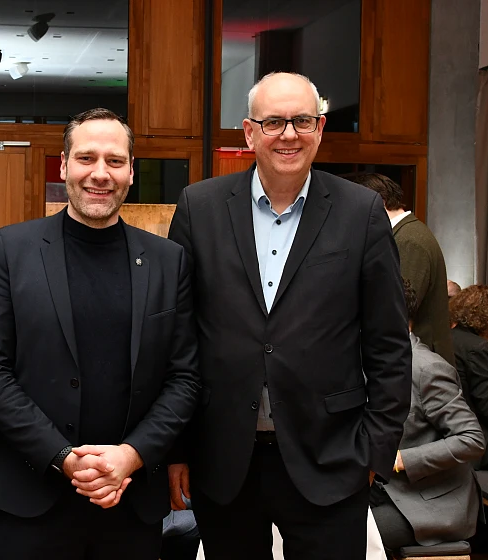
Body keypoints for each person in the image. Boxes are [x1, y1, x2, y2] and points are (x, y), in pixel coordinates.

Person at [167, 72, 411, 560]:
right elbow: (179, 337)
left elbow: (388, 343)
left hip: (332, 458)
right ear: (249, 132)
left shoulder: (361, 212)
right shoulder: (200, 207)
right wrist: (177, 448)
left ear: (319, 128)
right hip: (224, 458)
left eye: (302, 120)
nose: (289, 134)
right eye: (274, 121)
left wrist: (374, 451)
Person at [0, 107, 199, 560]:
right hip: (35, 496)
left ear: (131, 172)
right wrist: (63, 458)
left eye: (114, 161)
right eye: (86, 158)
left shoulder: (168, 261)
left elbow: (185, 378)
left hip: (131, 503)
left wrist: (131, 456)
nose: (100, 174)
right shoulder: (10, 250)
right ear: (63, 165)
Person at [369, 278, 484, 552]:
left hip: (429, 504)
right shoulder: (376, 362)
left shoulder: (426, 368)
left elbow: (471, 438)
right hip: (386, 491)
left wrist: (401, 459)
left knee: (341, 536)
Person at [353, 173, 454, 365]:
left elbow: (400, 307)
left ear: (378, 202)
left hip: (417, 363)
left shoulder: (409, 240)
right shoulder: (402, 234)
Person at [449, 285, 488, 471]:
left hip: (453, 433)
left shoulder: (449, 338)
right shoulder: (478, 347)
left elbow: (467, 387)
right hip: (478, 441)